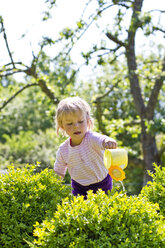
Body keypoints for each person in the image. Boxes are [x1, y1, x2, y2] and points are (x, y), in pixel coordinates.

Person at [54, 96, 117, 199]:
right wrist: (52, 184)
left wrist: (108, 142)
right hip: (79, 187)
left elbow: (102, 139)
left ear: (87, 120)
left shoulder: (92, 139)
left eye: (80, 121)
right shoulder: (63, 150)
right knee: (82, 212)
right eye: (70, 123)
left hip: (102, 183)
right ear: (62, 126)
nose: (76, 126)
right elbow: (58, 171)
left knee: (104, 209)